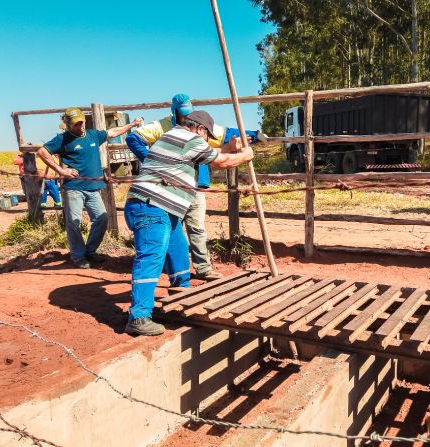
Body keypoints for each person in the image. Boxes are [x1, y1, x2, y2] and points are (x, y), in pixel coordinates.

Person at [124, 110, 254, 336]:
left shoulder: (176, 137)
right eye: (207, 136)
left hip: (162, 208)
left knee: (179, 251)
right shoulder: (188, 138)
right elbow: (221, 161)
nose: (207, 140)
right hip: (151, 206)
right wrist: (245, 155)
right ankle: (138, 317)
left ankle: (180, 298)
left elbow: (210, 153)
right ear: (200, 129)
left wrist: (232, 149)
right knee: (151, 257)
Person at [126, 93, 267, 281]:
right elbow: (133, 138)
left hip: (194, 187)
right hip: (166, 191)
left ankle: (202, 269)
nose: (186, 117)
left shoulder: (200, 127)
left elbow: (223, 141)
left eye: (188, 113)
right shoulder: (161, 128)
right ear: (174, 112)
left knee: (196, 228)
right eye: (182, 114)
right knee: (166, 234)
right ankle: (166, 275)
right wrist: (153, 161)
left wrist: (254, 136)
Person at [36, 107, 143, 268]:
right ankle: (78, 257)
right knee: (74, 222)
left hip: (93, 188)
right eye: (76, 124)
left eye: (81, 123)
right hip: (74, 188)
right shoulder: (62, 139)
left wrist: (133, 124)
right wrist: (61, 171)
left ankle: (90, 251)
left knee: (101, 218)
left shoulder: (93, 135)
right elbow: (42, 151)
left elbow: (113, 132)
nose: (80, 126)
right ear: (68, 124)